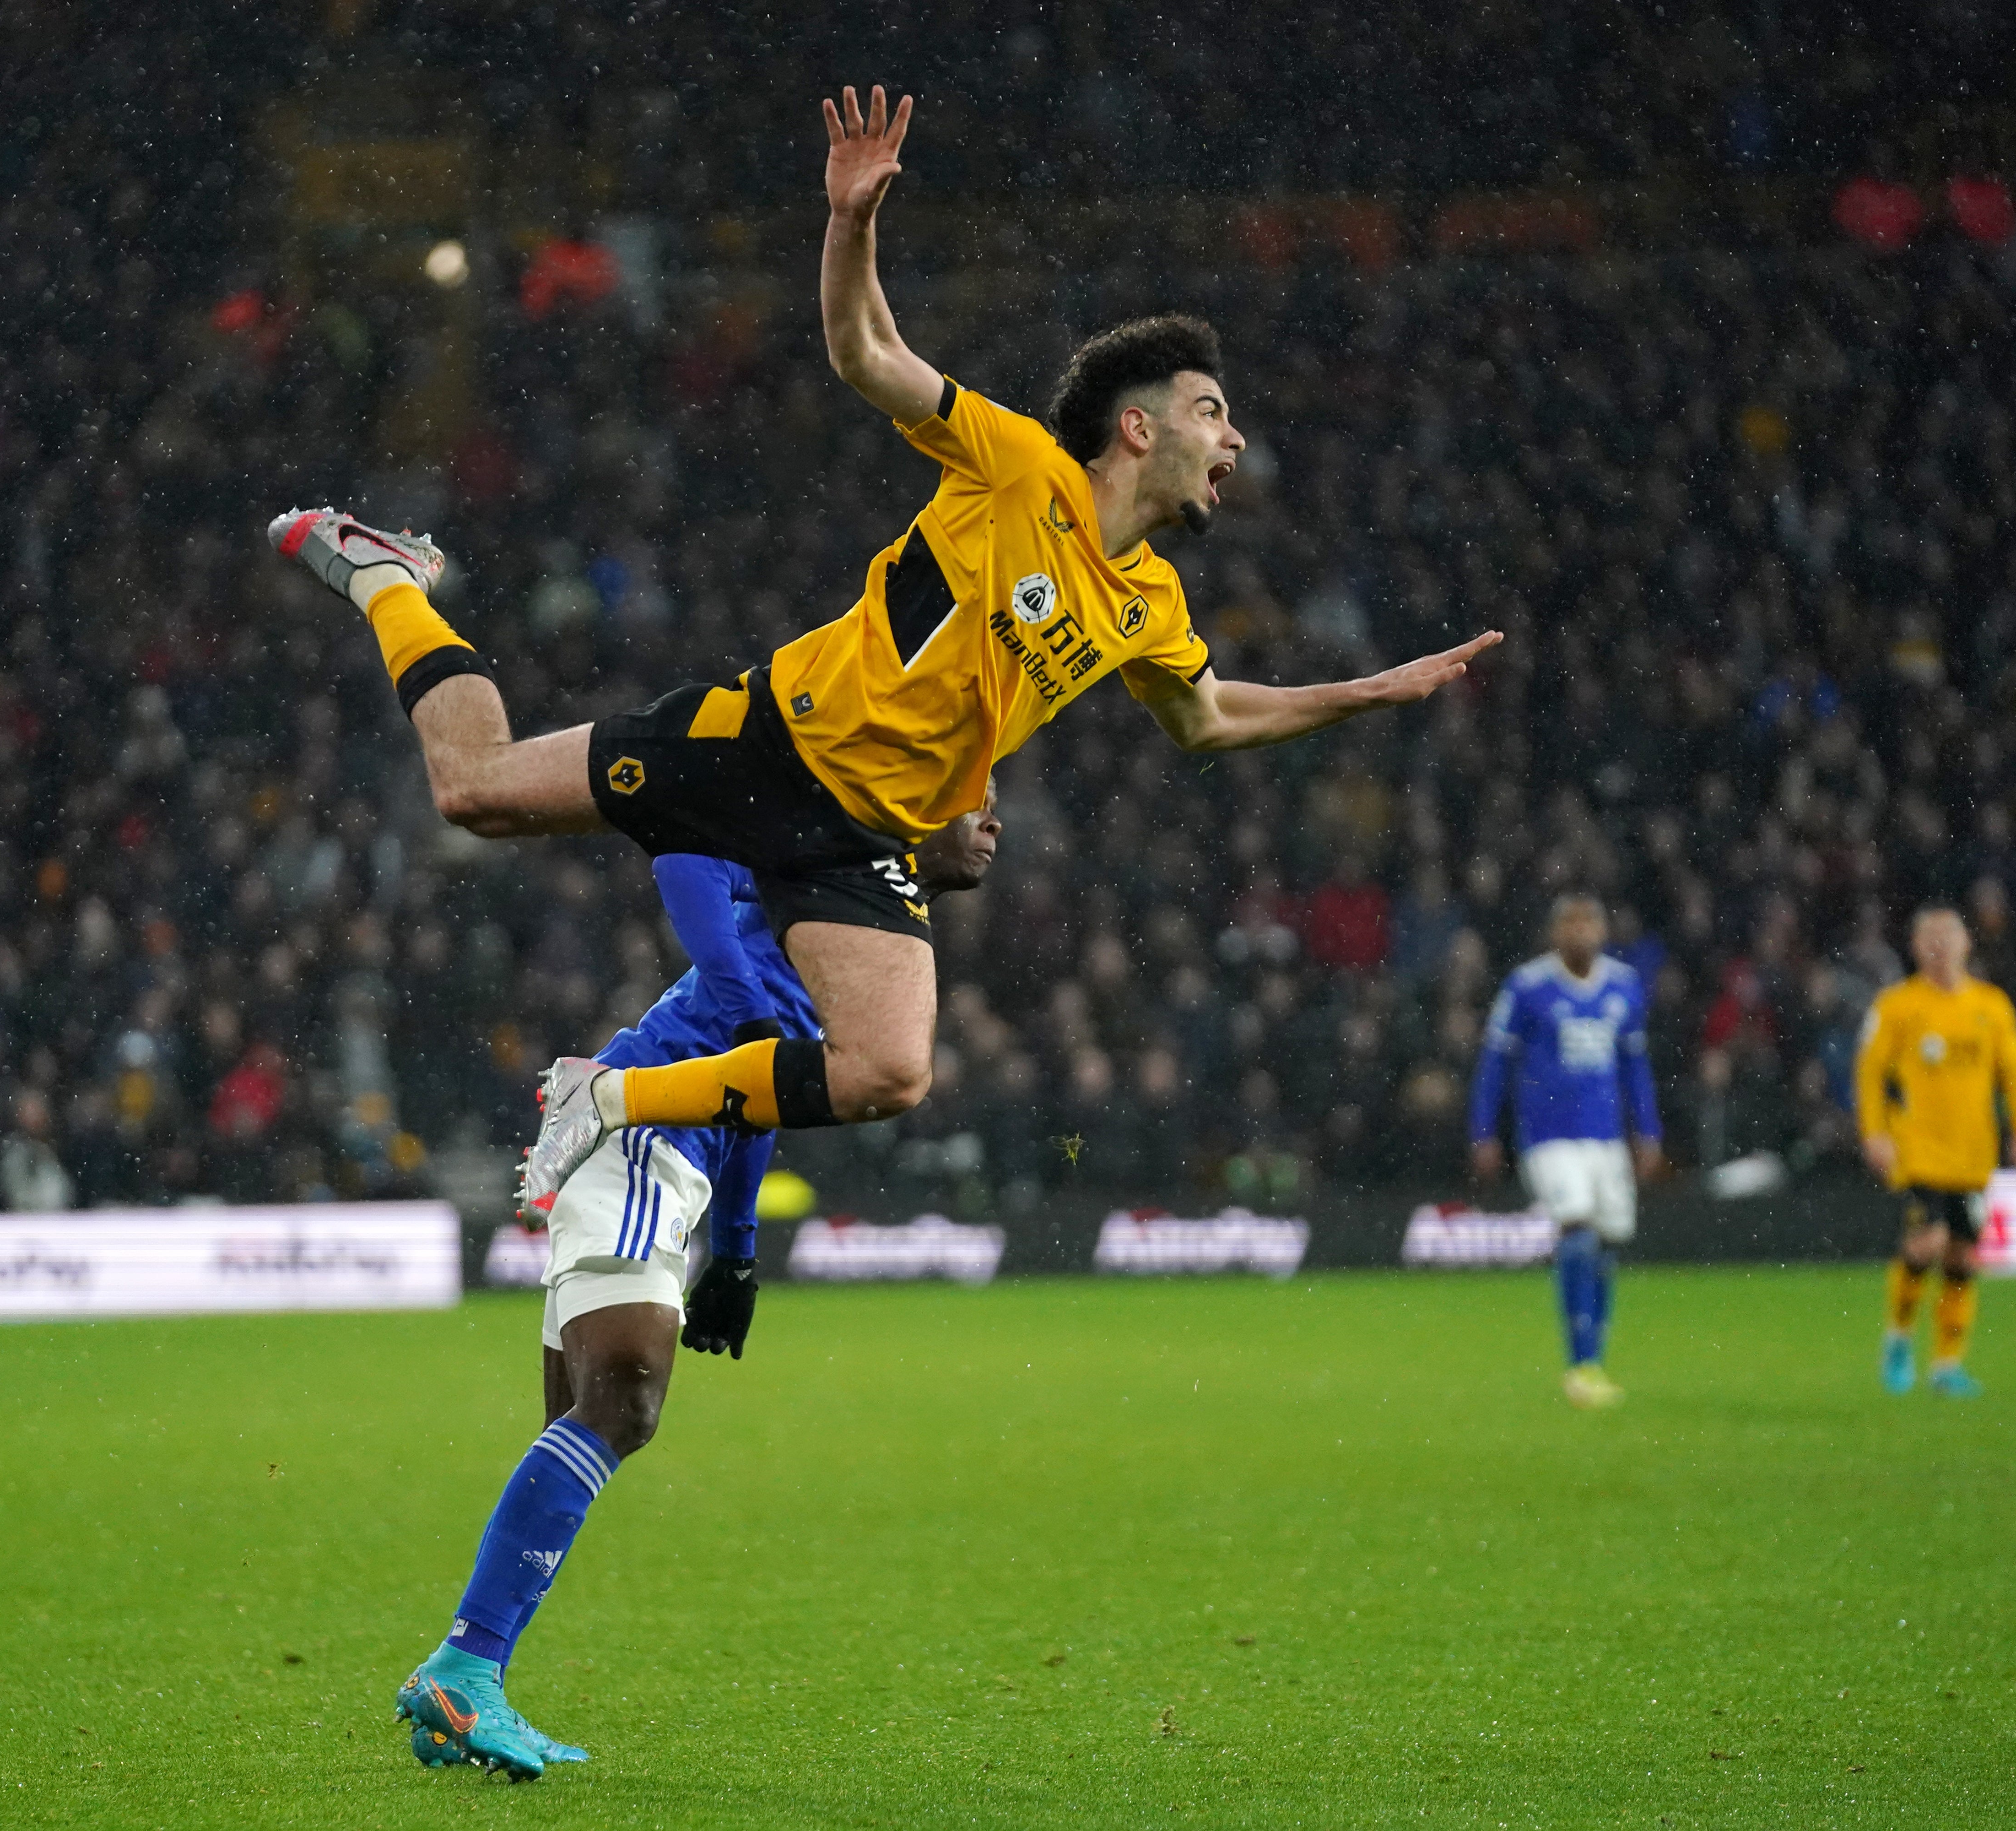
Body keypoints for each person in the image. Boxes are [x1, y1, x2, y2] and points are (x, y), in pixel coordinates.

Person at [265, 85, 1497, 1218]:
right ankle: (392, 580)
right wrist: (850, 221)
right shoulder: (1019, 463)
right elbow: (866, 355)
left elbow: (1208, 719)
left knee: (887, 1073)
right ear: (1139, 426)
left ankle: (605, 1098)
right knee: (471, 792)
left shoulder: (1152, 603)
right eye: (1213, 411)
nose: (1233, 440)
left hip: (866, 836)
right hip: (765, 745)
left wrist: (1368, 695)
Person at [396, 800, 1002, 1780]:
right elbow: (687, 852)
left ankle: (475, 1674)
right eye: (974, 803)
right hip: (644, 1130)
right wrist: (741, 999)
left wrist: (740, 1249)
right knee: (625, 1398)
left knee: (587, 1416)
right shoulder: (833, 863)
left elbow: (761, 1091)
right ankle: (465, 1665)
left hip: (673, 1155)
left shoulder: (881, 924)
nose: (992, 823)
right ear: (919, 818)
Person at [1468, 894, 1664, 1408]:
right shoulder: (1528, 987)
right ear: (1555, 934)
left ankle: (1594, 1359)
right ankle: (1580, 1365)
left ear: (1603, 931)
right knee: (1575, 1231)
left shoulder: (1623, 986)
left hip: (1606, 1138)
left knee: (1607, 1243)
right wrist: (1483, 1131)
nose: (1581, 933)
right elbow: (1495, 1062)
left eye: (1590, 923)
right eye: (1571, 924)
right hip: (1549, 1136)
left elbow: (1635, 1067)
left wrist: (1648, 1131)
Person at [1855, 905, 2016, 1398]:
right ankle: (1898, 1338)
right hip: (1917, 1151)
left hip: (1972, 1155)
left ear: (1966, 945)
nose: (1940, 946)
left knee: (1963, 1257)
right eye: (1930, 938)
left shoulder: (1991, 1005)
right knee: (1927, 1241)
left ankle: (1946, 1366)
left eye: (1949, 936)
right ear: (1916, 948)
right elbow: (1871, 1072)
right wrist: (1875, 1132)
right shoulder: (1897, 1006)